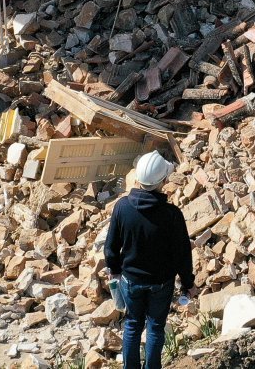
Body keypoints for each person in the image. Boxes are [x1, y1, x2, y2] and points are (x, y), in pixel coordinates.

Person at [104, 151, 196, 369]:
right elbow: (182, 253)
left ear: (138, 178)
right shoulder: (172, 214)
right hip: (161, 283)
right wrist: (188, 284)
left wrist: (114, 270)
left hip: (130, 280)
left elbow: (110, 247)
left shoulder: (122, 207)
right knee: (155, 327)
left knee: (132, 325)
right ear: (163, 181)